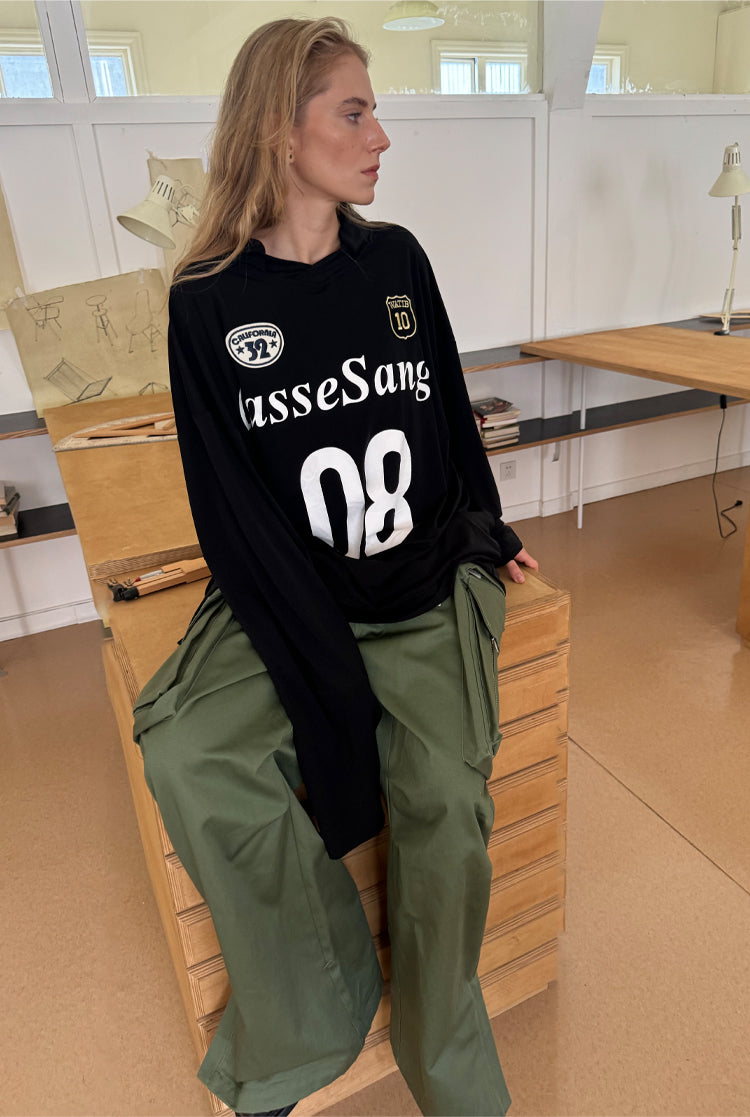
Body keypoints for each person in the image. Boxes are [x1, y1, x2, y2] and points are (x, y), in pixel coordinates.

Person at [132, 17, 538, 1117]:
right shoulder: (207, 302)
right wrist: (324, 670)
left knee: (448, 801)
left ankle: (444, 1053)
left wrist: (490, 527)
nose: (380, 138)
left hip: (416, 587)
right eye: (353, 113)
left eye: (374, 113)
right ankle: (317, 1005)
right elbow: (229, 505)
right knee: (184, 750)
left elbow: (448, 411)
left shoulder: (396, 262)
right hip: (288, 594)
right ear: (279, 127)